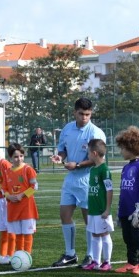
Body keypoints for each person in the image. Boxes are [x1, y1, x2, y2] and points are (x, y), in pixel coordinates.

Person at [50, 97, 106, 267]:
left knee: (88, 218)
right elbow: (63, 149)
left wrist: (79, 164)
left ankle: (90, 255)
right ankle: (70, 254)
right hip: (71, 179)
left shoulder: (95, 133)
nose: (84, 118)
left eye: (87, 114)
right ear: (74, 112)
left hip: (88, 179)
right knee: (64, 214)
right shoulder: (67, 129)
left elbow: (99, 159)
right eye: (81, 114)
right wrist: (60, 157)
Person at [114, 126, 139, 275]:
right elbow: (123, 191)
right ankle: (131, 261)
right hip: (125, 209)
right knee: (128, 238)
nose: (121, 151)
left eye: (123, 148)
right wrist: (119, 211)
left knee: (138, 238)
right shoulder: (125, 168)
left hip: (136, 211)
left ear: (132, 147)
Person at [82, 139, 114, 271]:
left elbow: (109, 190)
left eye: (88, 152)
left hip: (102, 210)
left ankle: (107, 261)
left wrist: (107, 209)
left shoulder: (104, 170)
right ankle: (96, 261)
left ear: (94, 153)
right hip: (93, 209)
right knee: (95, 235)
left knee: (104, 234)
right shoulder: (93, 169)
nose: (87, 155)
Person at [2, 143, 39, 255]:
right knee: (18, 234)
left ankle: (27, 256)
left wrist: (21, 195)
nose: (19, 159)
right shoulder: (7, 172)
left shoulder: (28, 169)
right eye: (16, 157)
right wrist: (9, 196)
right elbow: (4, 189)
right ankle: (19, 256)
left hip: (27, 208)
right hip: (13, 208)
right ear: (10, 158)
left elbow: (35, 187)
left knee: (27, 233)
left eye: (21, 156)